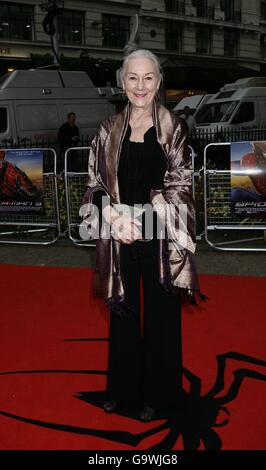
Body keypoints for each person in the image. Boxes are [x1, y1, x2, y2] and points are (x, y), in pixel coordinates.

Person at [82, 49, 202, 422]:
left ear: (159, 81)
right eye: (132, 77)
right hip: (118, 237)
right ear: (122, 83)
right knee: (123, 315)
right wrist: (115, 220)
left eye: (148, 77)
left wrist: (142, 224)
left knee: (162, 319)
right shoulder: (106, 130)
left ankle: (159, 395)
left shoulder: (174, 128)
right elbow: (94, 184)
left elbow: (180, 187)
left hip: (161, 240)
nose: (140, 85)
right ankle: (123, 389)